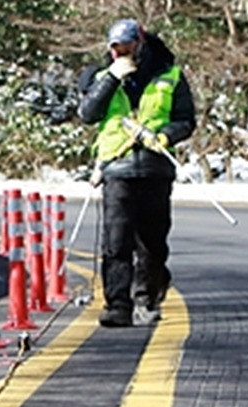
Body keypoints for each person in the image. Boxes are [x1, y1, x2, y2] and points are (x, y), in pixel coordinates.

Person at [78, 17, 196, 327]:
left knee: (153, 242)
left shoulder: (169, 76)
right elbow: (88, 114)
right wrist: (111, 79)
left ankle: (147, 297)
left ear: (140, 44)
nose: (122, 53)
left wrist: (166, 135)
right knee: (116, 242)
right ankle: (117, 304)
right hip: (116, 168)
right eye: (116, 48)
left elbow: (186, 119)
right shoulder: (102, 76)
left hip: (155, 168)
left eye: (128, 47)